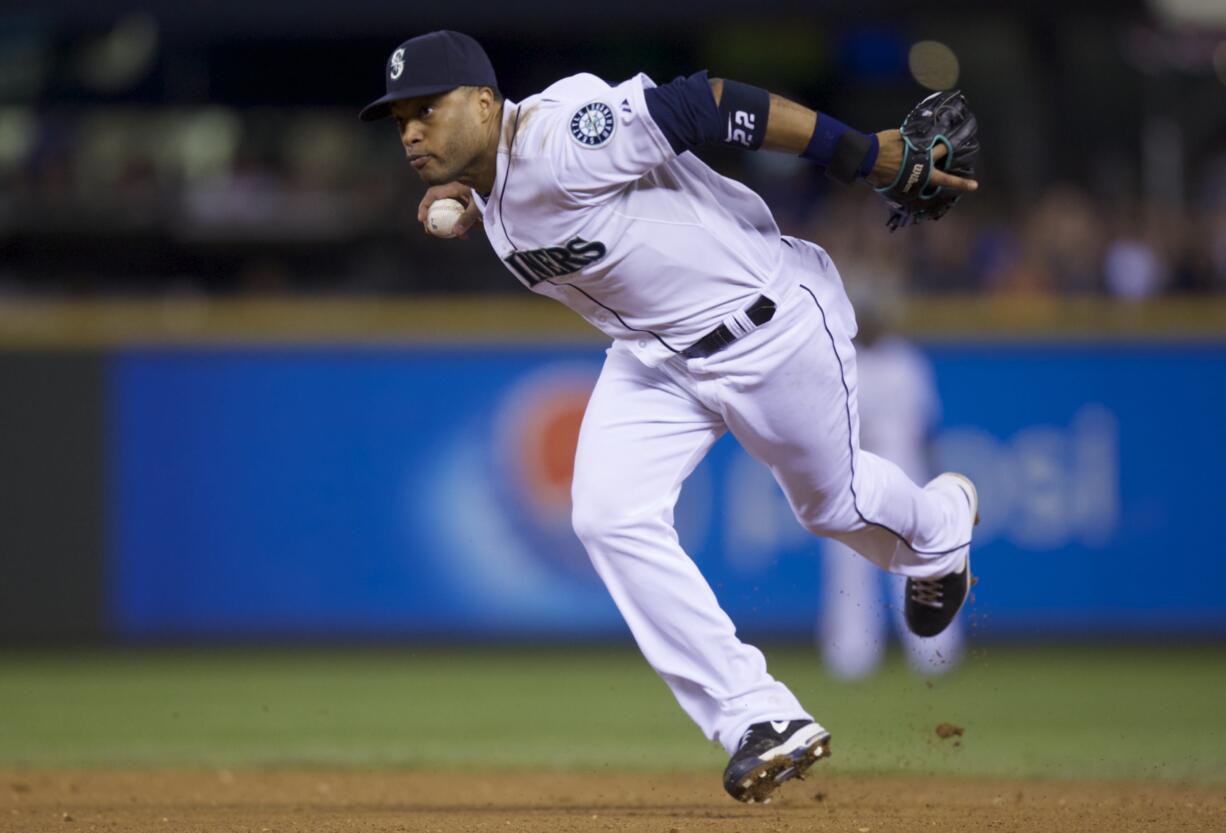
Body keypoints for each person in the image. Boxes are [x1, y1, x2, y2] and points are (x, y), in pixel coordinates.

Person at [361, 30, 980, 804]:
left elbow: (711, 104)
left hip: (769, 328)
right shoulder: (488, 184)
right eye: (400, 120)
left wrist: (860, 155)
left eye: (429, 108)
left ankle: (941, 525)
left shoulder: (564, 136)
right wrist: (469, 193)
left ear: (486, 103)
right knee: (606, 515)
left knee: (833, 505)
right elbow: (524, 197)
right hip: (655, 361)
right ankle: (759, 715)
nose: (412, 129)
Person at [818, 285, 964, 679]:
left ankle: (935, 651)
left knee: (921, 560)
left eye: (873, 314)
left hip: (904, 466)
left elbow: (927, 426)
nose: (869, 322)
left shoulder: (906, 360)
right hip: (855, 471)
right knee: (849, 564)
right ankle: (850, 654)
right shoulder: (842, 359)